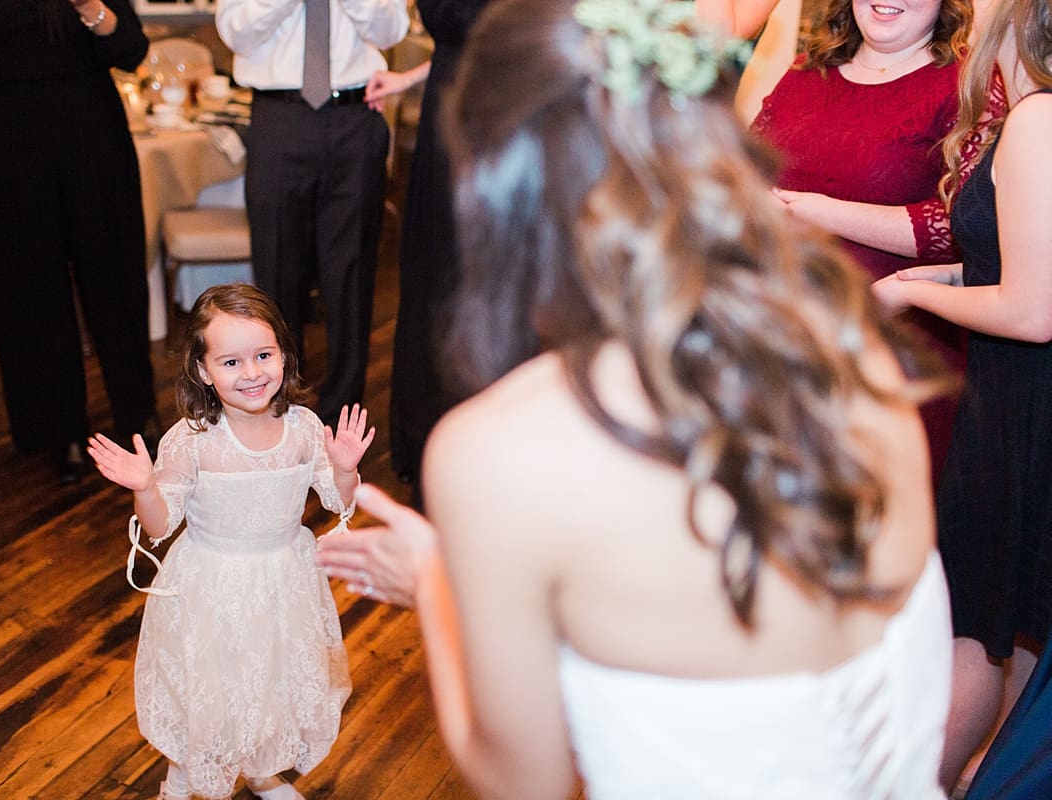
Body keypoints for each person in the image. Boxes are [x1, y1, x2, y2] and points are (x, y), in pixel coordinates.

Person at [324, 1, 957, 797]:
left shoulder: (497, 451)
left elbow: (524, 780)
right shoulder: (860, 364)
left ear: (496, 178)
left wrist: (434, 586)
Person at [87, 283, 374, 800]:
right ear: (203, 370)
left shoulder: (304, 428)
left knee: (271, 683)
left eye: (264, 355)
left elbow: (337, 500)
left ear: (284, 354)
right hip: (211, 589)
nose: (252, 373)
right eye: (231, 362)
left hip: (284, 582)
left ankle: (263, 771)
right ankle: (181, 778)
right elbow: (158, 525)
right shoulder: (192, 441)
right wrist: (145, 487)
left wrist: (346, 469)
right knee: (214, 692)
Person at [871, 0, 1052, 789]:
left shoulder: (1039, 120)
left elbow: (1032, 310)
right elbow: (1012, 261)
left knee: (978, 623)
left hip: (1027, 404)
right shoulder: (1031, 118)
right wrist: (933, 276)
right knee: (1016, 626)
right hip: (1013, 397)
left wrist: (914, 299)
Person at [750, 0, 996, 484]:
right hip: (779, 340)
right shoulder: (806, 72)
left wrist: (818, 210)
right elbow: (746, 170)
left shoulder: (967, 84)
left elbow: (963, 224)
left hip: (894, 351)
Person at [0, 0, 159, 485]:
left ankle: (138, 416)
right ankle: (60, 431)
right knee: (28, 293)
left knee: (116, 277)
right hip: (1, 144)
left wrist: (89, 5)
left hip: (92, 133)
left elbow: (131, 49)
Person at [214, 0, 409, 428]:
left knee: (351, 273)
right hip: (278, 117)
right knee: (277, 268)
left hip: (357, 116)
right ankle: (280, 409)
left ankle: (343, 416)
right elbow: (234, 32)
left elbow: (392, 29)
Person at [361, 0, 493, 492]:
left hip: (498, 109)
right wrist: (411, 77)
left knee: (477, 279)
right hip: (446, 96)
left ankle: (475, 449)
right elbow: (456, 36)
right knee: (431, 273)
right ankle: (425, 442)